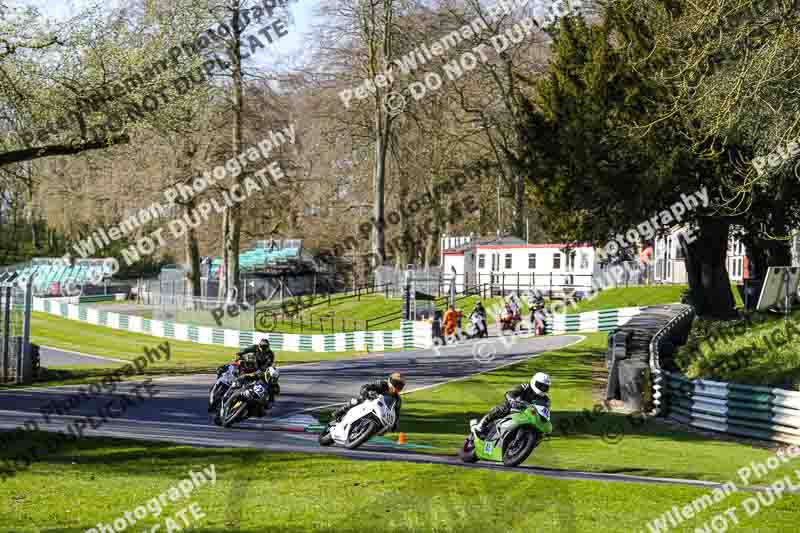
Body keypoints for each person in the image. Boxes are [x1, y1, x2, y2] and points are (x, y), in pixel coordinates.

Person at [473, 372, 551, 438]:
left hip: (529, 416)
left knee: (539, 434)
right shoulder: (525, 387)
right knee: (504, 408)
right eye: (541, 385)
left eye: (545, 387)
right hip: (515, 408)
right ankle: (481, 425)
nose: (543, 388)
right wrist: (512, 399)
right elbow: (510, 393)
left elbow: (545, 413)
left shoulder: (546, 400)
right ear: (534, 382)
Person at [330, 373, 406, 431]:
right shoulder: (382, 384)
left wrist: (395, 423)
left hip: (380, 411)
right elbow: (366, 387)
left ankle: (368, 432)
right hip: (369, 401)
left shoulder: (397, 399)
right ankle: (340, 412)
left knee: (385, 427)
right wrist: (367, 392)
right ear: (390, 380)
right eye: (396, 383)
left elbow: (396, 413)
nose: (397, 387)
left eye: (400, 386)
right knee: (357, 401)